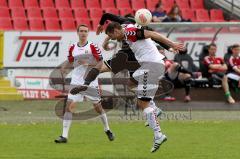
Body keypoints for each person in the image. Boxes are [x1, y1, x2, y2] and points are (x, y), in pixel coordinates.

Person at [71, 22, 184, 152]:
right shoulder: (123, 30)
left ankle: (158, 134)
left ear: (116, 31)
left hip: (152, 66)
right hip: (149, 66)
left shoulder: (130, 32)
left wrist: (171, 44)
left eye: (112, 36)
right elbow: (116, 27)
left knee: (143, 104)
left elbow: (152, 34)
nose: (112, 39)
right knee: (130, 83)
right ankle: (154, 110)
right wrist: (85, 84)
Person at [54, 24, 114, 143]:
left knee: (98, 108)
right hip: (76, 82)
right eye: (81, 31)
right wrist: (63, 69)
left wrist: (87, 62)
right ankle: (64, 136)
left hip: (90, 82)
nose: (83, 33)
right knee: (69, 107)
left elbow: (100, 62)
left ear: (88, 33)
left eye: (85, 31)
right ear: (77, 32)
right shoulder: (72, 47)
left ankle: (107, 129)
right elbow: (71, 61)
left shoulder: (92, 46)